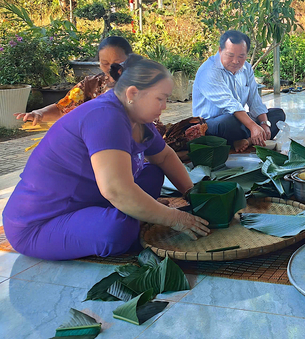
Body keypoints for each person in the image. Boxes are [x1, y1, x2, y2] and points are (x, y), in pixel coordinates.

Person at [3, 55, 210, 261]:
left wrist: (192, 194)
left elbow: (164, 157)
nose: (164, 106)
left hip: (92, 201)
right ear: (133, 93)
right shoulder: (105, 116)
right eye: (160, 98)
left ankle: (135, 212)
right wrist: (175, 218)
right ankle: (132, 216)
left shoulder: (138, 119)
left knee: (153, 174)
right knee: (118, 231)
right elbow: (116, 190)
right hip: (41, 223)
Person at [192, 30, 285, 152]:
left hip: (239, 119)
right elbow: (230, 104)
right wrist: (252, 126)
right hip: (213, 124)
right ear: (220, 51)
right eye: (230, 55)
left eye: (241, 56)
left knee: (277, 114)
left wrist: (263, 124)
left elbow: (255, 100)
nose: (236, 61)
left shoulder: (246, 68)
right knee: (228, 122)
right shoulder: (209, 71)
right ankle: (247, 138)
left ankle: (246, 141)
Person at [15, 36, 133, 125]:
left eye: (117, 63)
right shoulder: (90, 85)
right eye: (105, 63)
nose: (111, 68)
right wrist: (40, 113)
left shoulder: (145, 84)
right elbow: (62, 109)